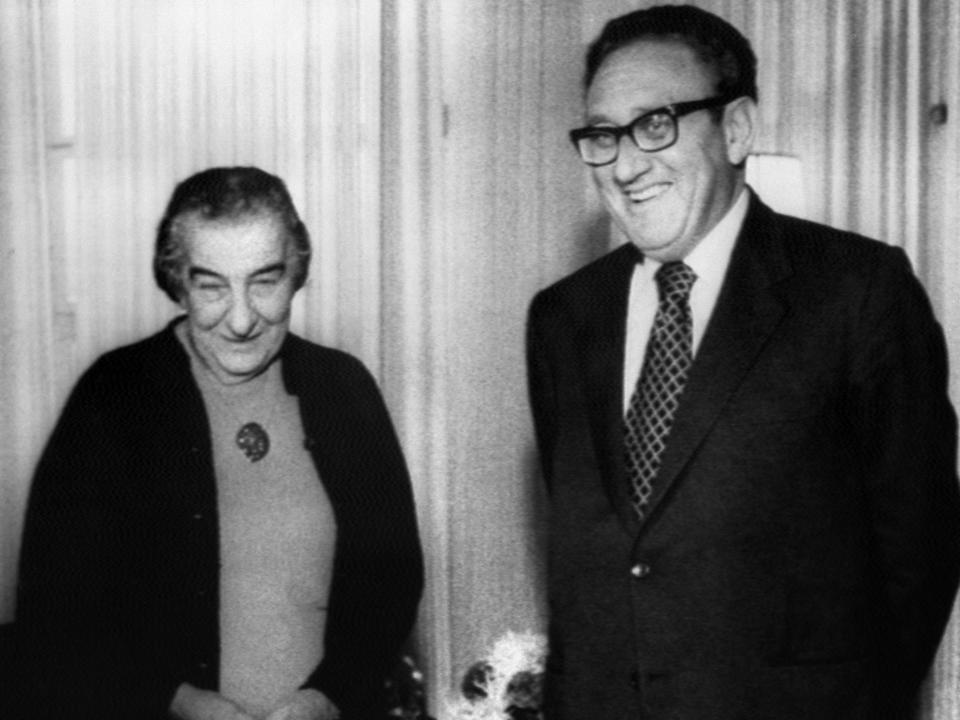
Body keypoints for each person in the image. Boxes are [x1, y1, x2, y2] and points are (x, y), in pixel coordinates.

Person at [526, 6, 960, 719]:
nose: (627, 164)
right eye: (604, 134)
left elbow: (920, 552)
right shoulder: (562, 318)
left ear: (736, 129)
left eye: (656, 124)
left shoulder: (857, 292)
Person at [16, 166, 424, 720]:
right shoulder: (113, 397)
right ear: (176, 279)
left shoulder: (343, 389)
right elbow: (56, 609)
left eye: (264, 281)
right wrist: (178, 702)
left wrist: (327, 698)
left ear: (297, 272)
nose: (240, 320)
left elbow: (391, 577)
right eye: (211, 286)